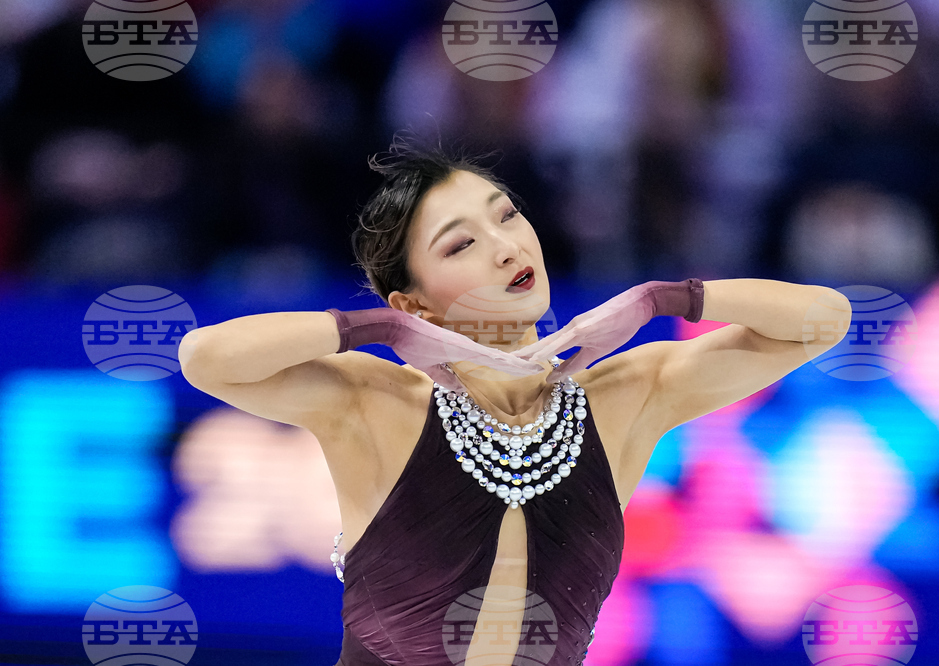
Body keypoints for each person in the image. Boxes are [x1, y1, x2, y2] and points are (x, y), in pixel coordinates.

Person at [178, 134, 853, 665]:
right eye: (463, 243)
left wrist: (662, 299)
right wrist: (377, 330)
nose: (506, 247)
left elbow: (824, 319)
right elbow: (205, 359)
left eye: (507, 216)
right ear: (414, 302)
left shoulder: (621, 397)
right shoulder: (377, 402)